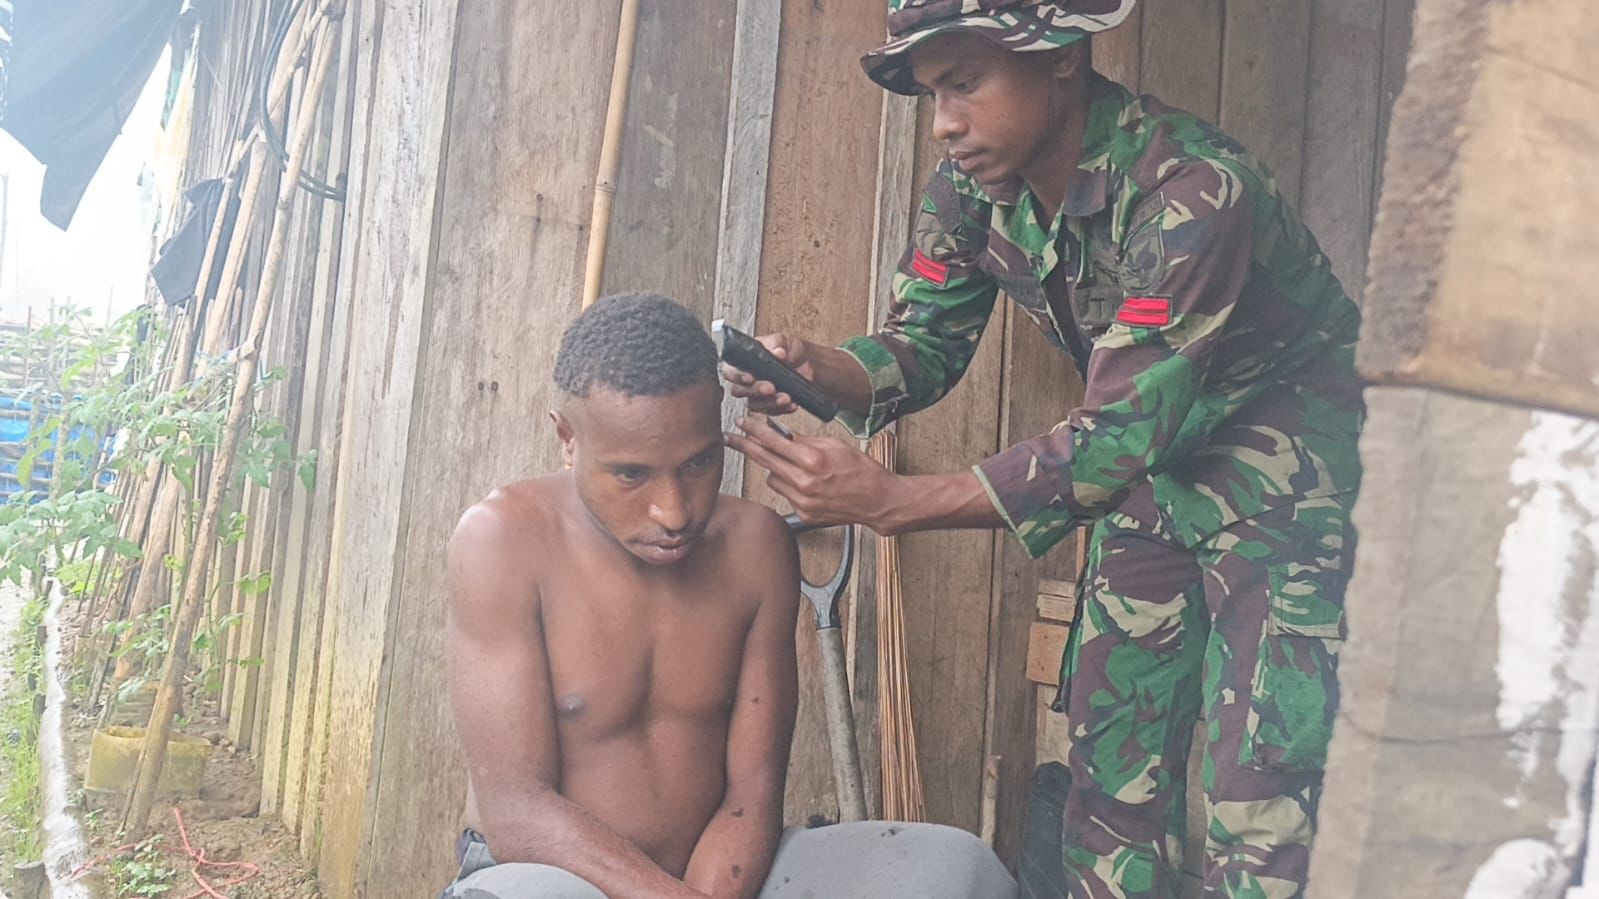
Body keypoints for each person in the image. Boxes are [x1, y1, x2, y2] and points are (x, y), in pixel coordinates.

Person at [722, 3, 1363, 898]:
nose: (943, 122)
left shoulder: (1192, 192)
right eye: (931, 94)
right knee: (1109, 771)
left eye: (964, 83)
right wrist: (819, 370)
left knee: (1263, 803)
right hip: (1154, 470)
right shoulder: (971, 186)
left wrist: (896, 502)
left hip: (1292, 478)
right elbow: (921, 345)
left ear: (1060, 55)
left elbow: (1114, 437)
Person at [442, 293, 1018, 899]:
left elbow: (752, 793)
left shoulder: (756, 547)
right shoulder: (502, 541)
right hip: (553, 876)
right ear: (567, 438)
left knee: (957, 869)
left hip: (722, 880)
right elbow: (518, 809)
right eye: (632, 474)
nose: (674, 512)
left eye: (698, 463)